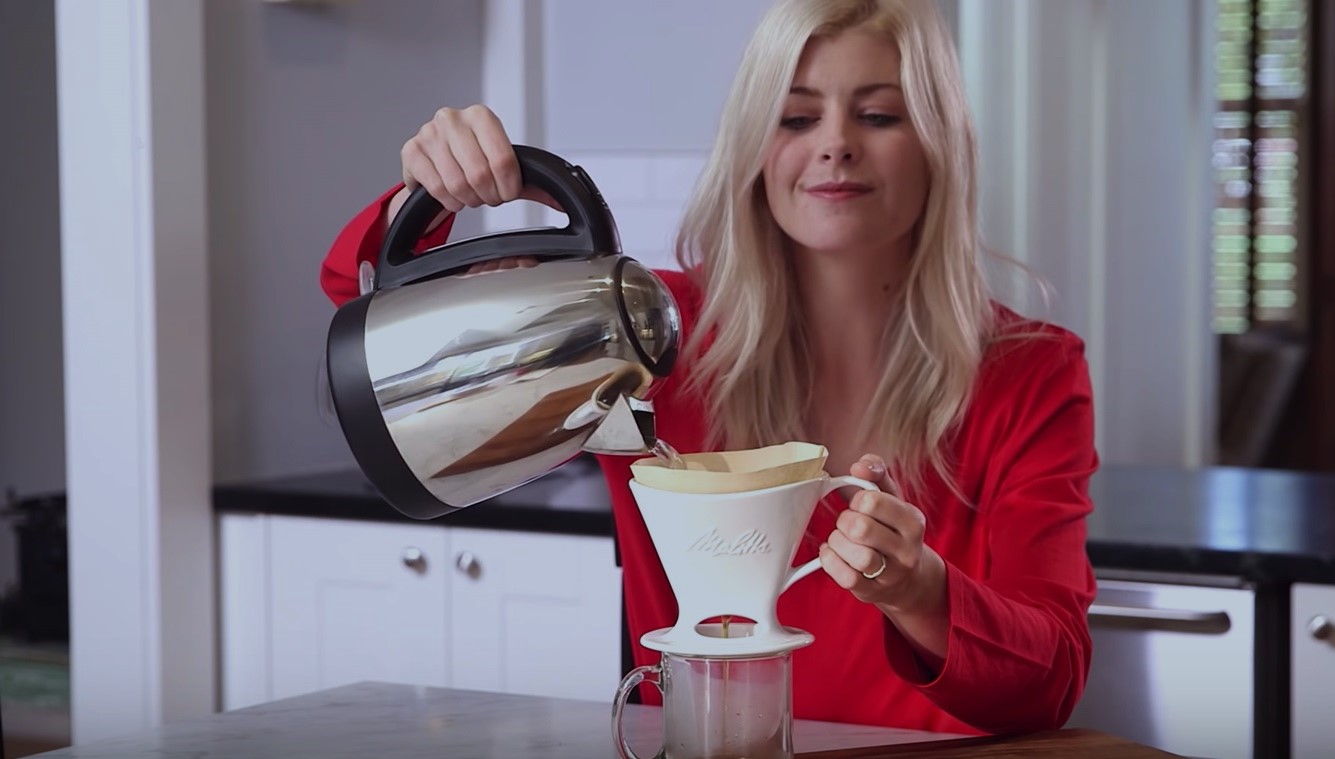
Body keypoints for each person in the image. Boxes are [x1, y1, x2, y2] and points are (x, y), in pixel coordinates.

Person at [319, 0, 1097, 737]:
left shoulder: (1032, 373)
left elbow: (1050, 681)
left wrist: (919, 589)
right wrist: (429, 196)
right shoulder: (651, 337)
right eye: (797, 118)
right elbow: (361, 308)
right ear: (755, 147)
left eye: (879, 115)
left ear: (938, 145)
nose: (835, 143)